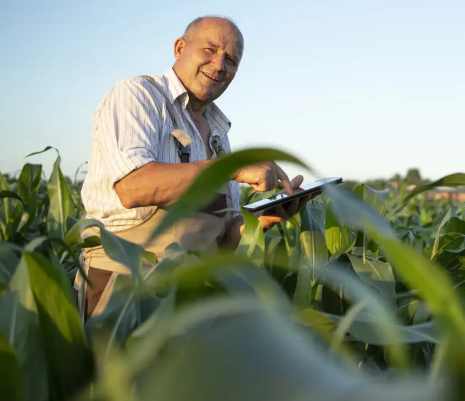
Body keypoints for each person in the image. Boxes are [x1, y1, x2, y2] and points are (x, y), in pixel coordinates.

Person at [76, 15, 309, 319]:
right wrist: (230, 168)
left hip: (191, 293)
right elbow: (133, 186)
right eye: (209, 50)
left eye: (231, 60)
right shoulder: (138, 96)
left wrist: (259, 221)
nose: (219, 65)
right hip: (127, 286)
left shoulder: (218, 133)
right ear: (179, 48)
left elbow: (221, 240)